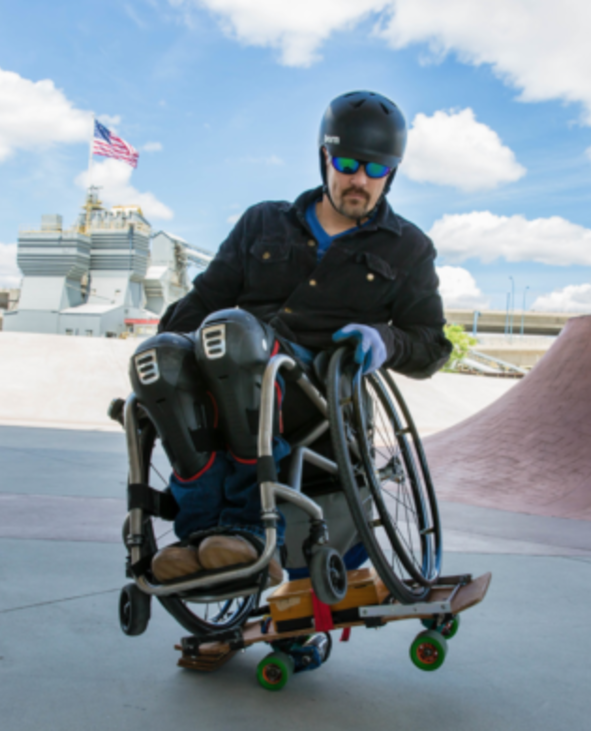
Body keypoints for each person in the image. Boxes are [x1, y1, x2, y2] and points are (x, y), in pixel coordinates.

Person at [128, 90, 451, 585]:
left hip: (318, 394)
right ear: (324, 156)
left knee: (236, 339)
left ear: (392, 173)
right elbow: (202, 300)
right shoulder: (263, 222)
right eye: (346, 163)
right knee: (165, 355)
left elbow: (431, 345)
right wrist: (162, 369)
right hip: (230, 364)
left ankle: (249, 533)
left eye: (375, 169)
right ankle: (199, 538)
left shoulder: (408, 248)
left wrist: (384, 341)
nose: (359, 180)